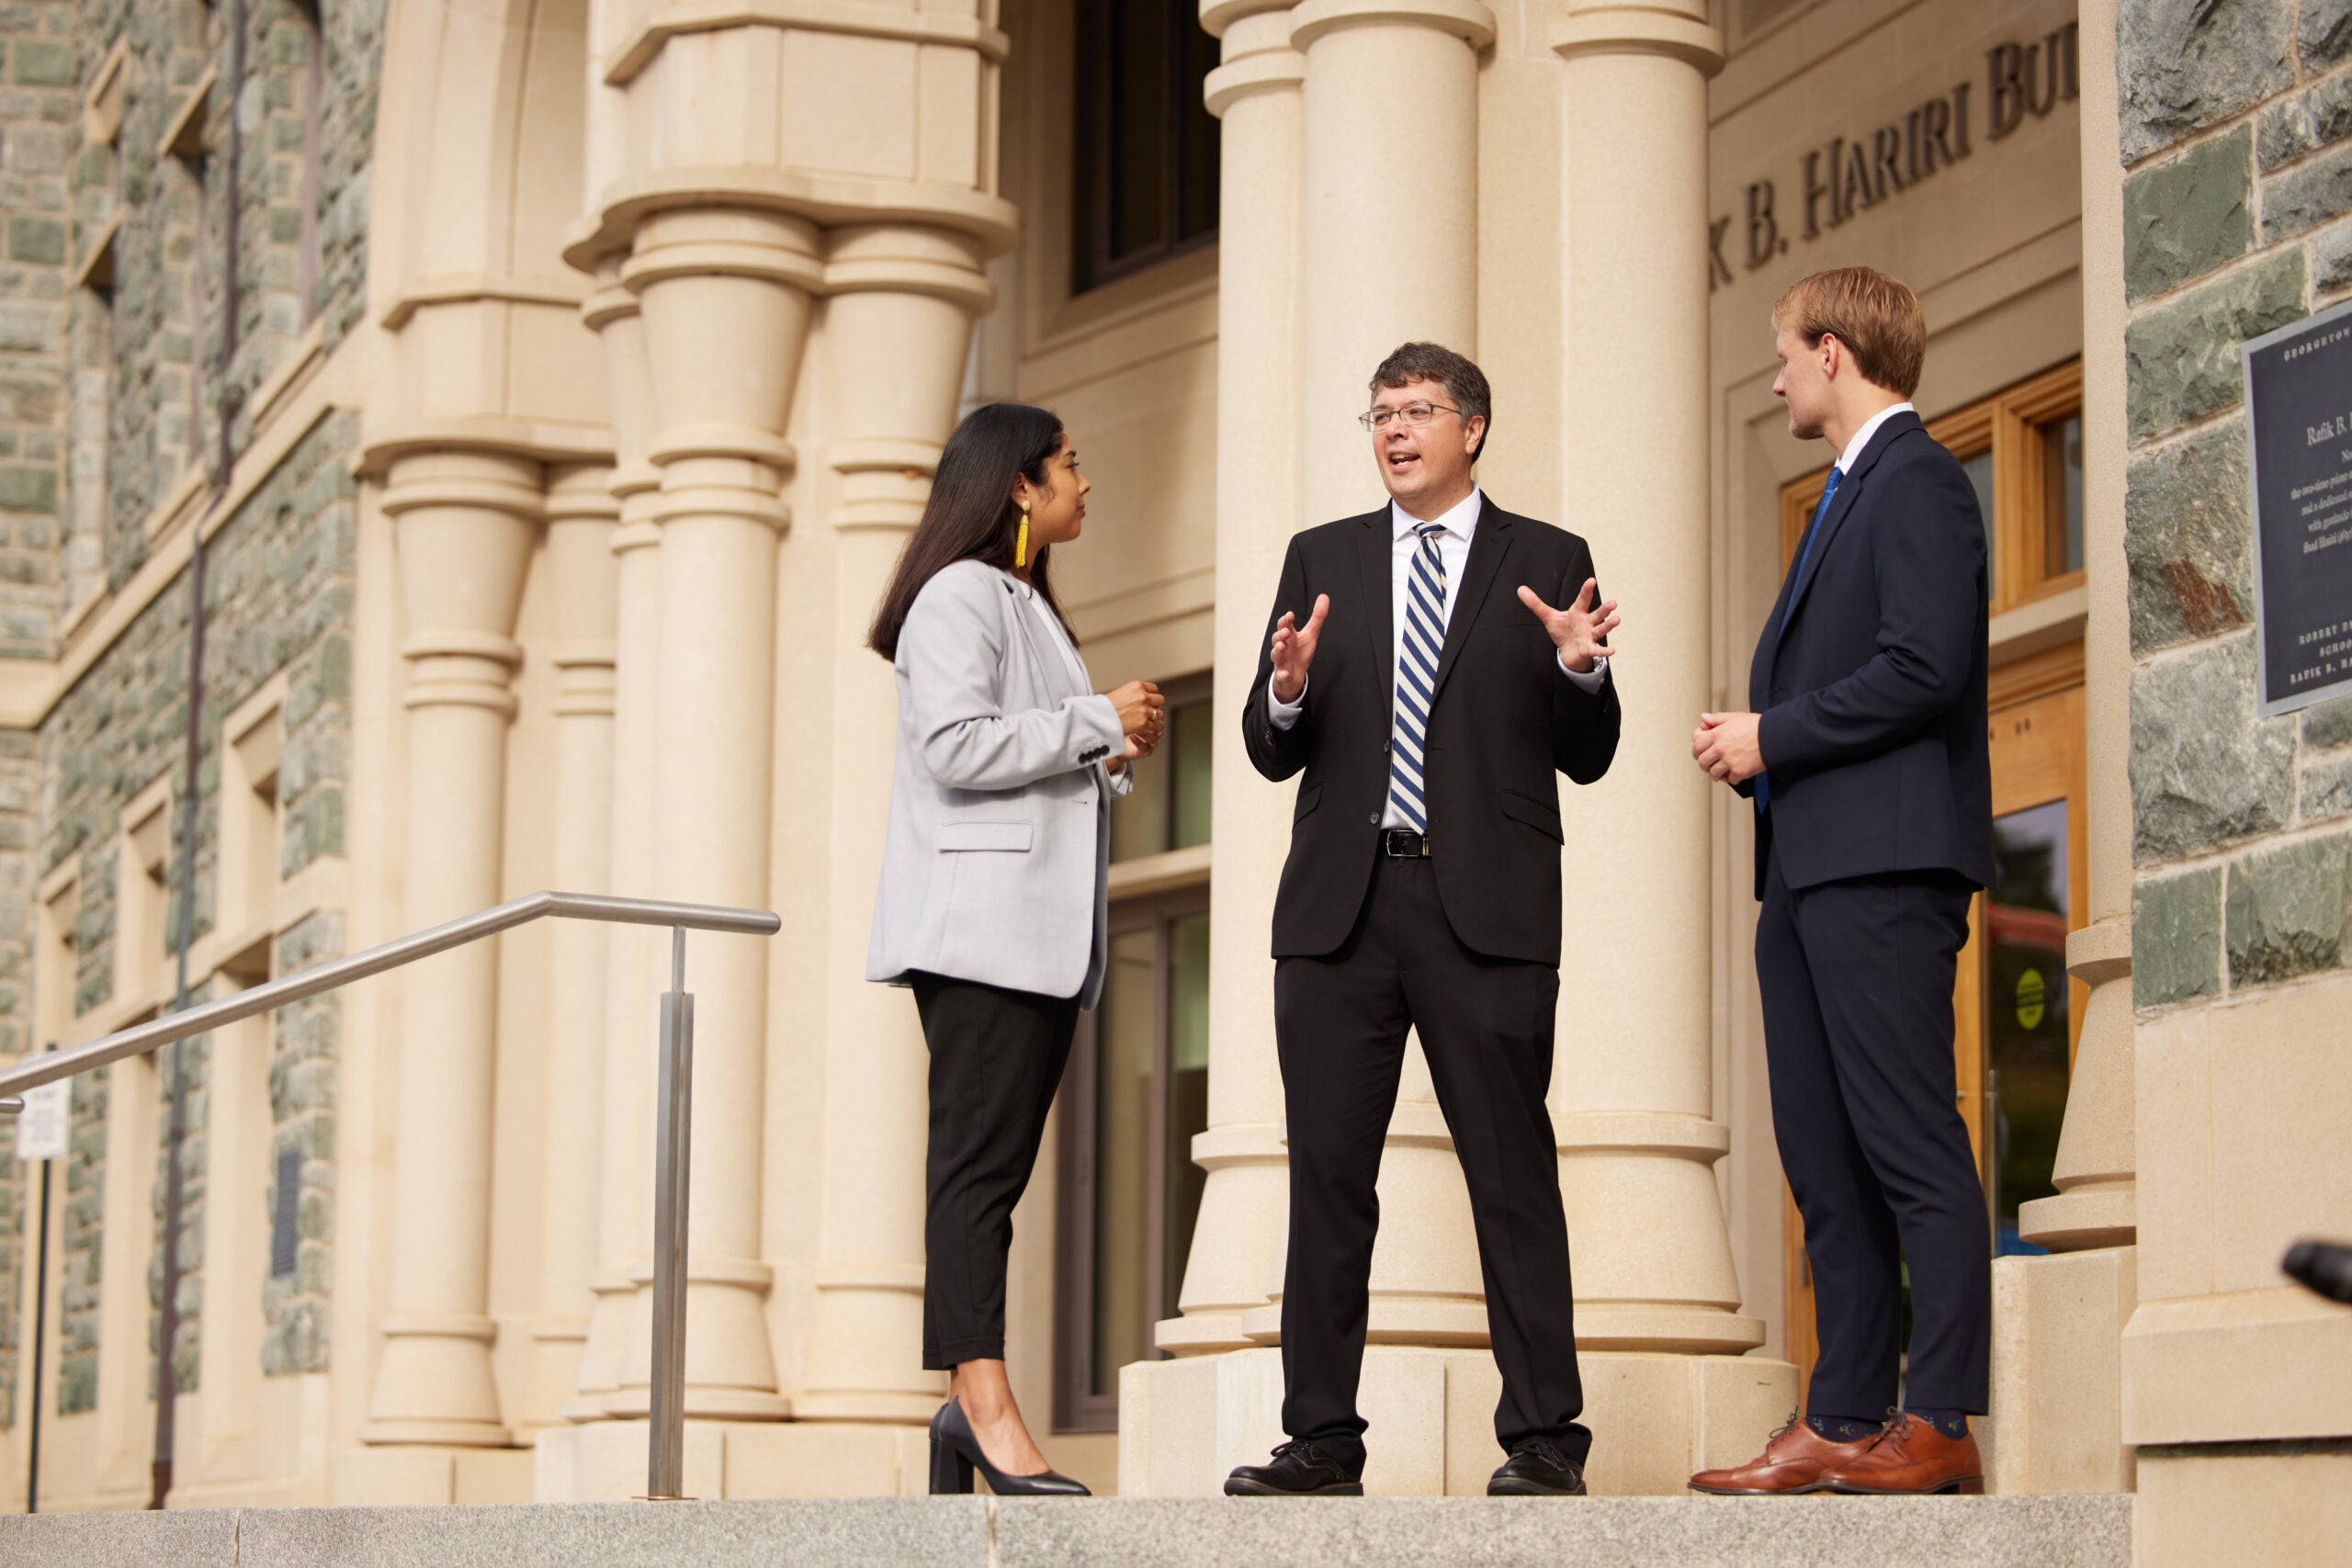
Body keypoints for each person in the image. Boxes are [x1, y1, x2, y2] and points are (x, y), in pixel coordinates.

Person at [1223, 343, 1623, 1499]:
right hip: (1340, 911)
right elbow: (1263, 741)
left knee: (1510, 1173)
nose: (1396, 430)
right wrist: (1287, 686)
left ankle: (1545, 1438)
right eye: (1381, 413)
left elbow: (1588, 757)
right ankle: (1320, 1441)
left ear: (1473, 429)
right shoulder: (1323, 557)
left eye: (1421, 410)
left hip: (1483, 905)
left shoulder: (1546, 558)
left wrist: (1581, 674)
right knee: (1330, 1179)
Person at [1688, 267, 1995, 1497]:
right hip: (1808, 871)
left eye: (1782, 356)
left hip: (1885, 869)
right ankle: (1844, 1407)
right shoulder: (1842, 492)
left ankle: (1940, 1413)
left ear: (1831, 352)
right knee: (1824, 1158)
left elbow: (1925, 665)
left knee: (1912, 1143)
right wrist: (1760, 753)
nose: (1772, 379)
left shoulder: (1918, 481)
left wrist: (1776, 732)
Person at [865, 402, 1167, 1497]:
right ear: (1019, 490)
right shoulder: (958, 595)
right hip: (983, 935)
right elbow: (951, 746)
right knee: (976, 1177)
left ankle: (967, 1405)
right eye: (1070, 467)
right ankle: (980, 1403)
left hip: (1026, 940)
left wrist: (1110, 742)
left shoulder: (1023, 600)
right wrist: (1096, 719)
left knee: (992, 1175)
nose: (1086, 484)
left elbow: (1027, 748)